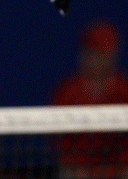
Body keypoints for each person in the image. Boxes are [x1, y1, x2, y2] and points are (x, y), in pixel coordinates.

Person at [52, 20, 128, 179]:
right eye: (93, 52)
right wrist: (81, 170)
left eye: (104, 53)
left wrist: (118, 169)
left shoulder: (124, 89)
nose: (98, 59)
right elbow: (63, 143)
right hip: (80, 170)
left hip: (119, 169)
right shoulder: (68, 91)